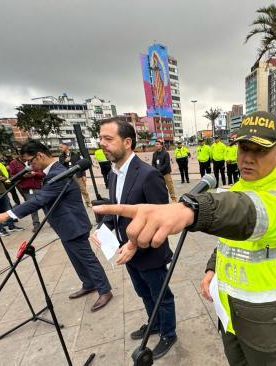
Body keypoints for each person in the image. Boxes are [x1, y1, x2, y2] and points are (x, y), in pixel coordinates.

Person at [93, 110, 276, 365]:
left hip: (266, 313)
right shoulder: (238, 187)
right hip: (228, 308)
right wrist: (212, 268)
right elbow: (230, 240)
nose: (248, 158)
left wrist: (193, 209)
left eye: (259, 150)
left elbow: (249, 213)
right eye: (243, 149)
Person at [0, 140, 113, 312]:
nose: (29, 165)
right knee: (75, 258)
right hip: (64, 225)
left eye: (30, 161)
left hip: (73, 224)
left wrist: (8, 214)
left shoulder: (58, 173)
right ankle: (89, 283)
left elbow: (40, 199)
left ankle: (104, 290)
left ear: (39, 155)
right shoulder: (52, 172)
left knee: (87, 258)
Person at [90, 117, 177, 359]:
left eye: (108, 139)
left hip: (148, 250)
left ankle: (169, 333)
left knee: (161, 296)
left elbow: (160, 219)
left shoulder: (148, 174)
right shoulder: (113, 174)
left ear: (127, 142)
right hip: (127, 252)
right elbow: (115, 208)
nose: (102, 144)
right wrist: (102, 228)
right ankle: (155, 324)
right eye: (100, 139)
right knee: (143, 292)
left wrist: (133, 244)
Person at [8, 155, 45, 232]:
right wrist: (22, 176)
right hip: (27, 189)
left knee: (46, 204)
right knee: (33, 207)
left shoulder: (34, 160)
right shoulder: (14, 163)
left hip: (39, 186)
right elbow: (12, 177)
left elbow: (42, 174)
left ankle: (51, 220)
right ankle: (36, 225)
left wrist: (35, 174)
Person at [59, 143, 92, 207]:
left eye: (61, 147)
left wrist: (83, 175)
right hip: (68, 176)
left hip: (77, 174)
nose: (60, 149)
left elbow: (81, 165)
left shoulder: (75, 154)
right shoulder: (61, 156)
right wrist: (65, 161)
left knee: (83, 189)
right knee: (72, 191)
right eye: (59, 147)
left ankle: (88, 202)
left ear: (66, 146)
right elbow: (61, 167)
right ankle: (77, 204)